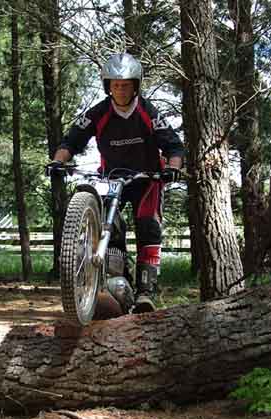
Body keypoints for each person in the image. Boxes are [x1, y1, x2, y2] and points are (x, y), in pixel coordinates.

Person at [47, 52, 184, 313]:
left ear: (135, 86)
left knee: (148, 226)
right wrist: (58, 161)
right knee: (111, 229)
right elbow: (71, 141)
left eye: (126, 85)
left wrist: (173, 168)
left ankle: (147, 292)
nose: (120, 90)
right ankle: (118, 287)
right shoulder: (98, 113)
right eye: (115, 85)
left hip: (148, 178)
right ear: (107, 86)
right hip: (111, 179)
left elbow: (174, 146)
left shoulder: (147, 111)